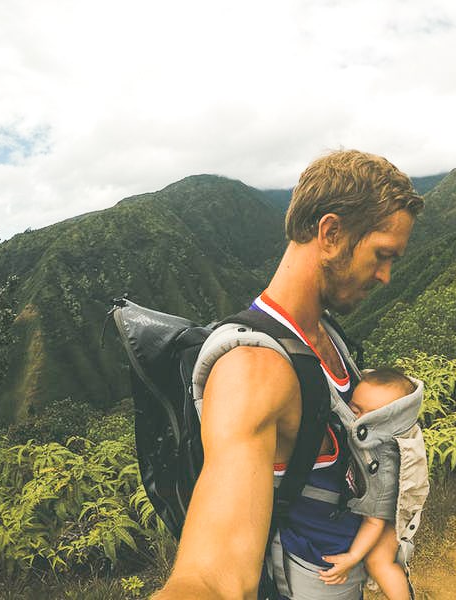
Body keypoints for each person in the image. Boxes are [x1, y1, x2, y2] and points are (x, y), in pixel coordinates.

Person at [154, 150, 424, 599]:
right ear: (331, 233)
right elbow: (214, 575)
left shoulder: (325, 334)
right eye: (382, 255)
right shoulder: (252, 371)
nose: (386, 276)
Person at [318, 368, 427, 600]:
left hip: (390, 511)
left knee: (379, 561)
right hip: (387, 502)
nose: (358, 420)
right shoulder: (385, 435)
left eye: (372, 417)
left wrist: (352, 558)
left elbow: (374, 521)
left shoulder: (383, 466)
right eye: (355, 410)